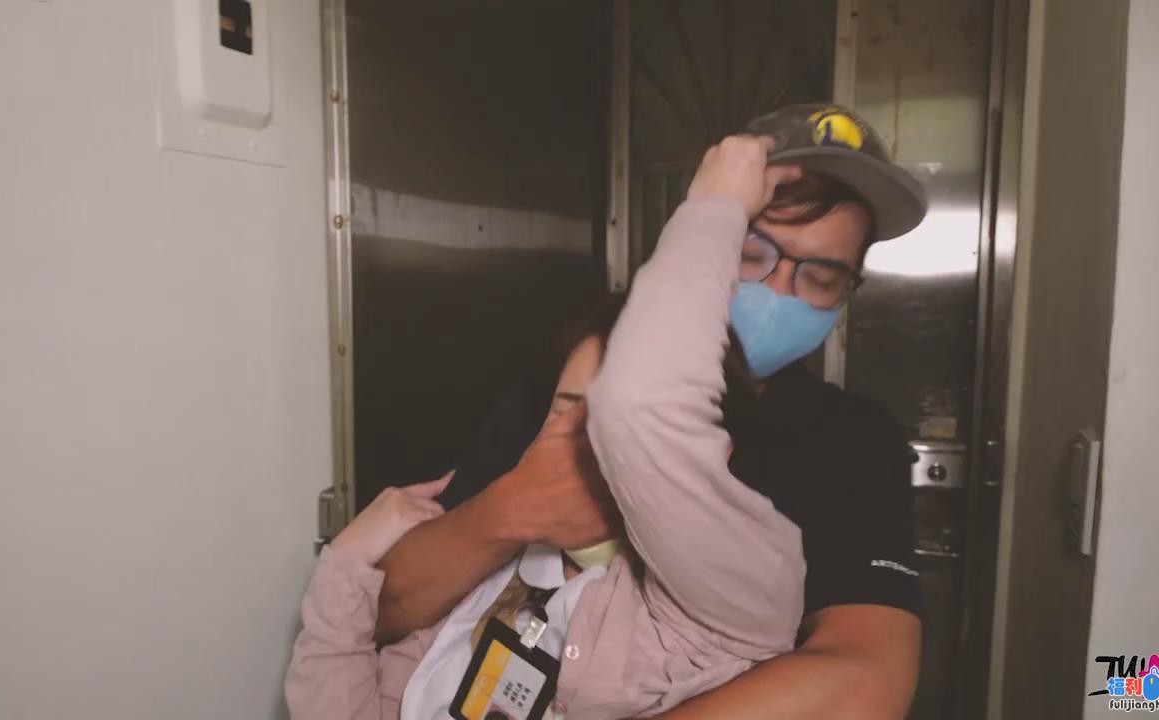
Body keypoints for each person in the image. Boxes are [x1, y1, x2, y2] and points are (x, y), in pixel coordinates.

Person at [374, 104, 928, 720]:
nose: (777, 293)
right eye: (751, 252)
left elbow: (863, 682)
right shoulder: (569, 384)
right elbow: (381, 608)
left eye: (821, 277)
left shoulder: (852, 442)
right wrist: (505, 512)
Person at [285, 143, 810, 717]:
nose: (583, 447)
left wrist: (714, 208)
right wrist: (347, 562)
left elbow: (648, 405)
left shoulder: (734, 593)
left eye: (606, 424)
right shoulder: (490, 577)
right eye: (566, 411)